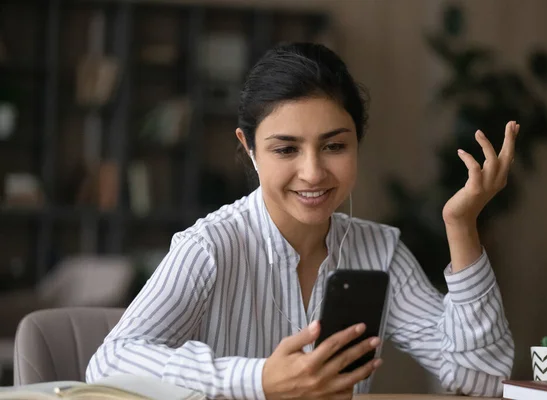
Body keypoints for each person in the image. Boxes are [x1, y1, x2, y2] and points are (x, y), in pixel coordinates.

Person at [86, 42, 515, 400]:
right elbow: (108, 363)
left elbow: (482, 378)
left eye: (334, 147)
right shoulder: (210, 246)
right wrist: (258, 379)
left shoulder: (379, 251)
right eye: (286, 149)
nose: (312, 173)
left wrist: (462, 226)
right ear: (249, 148)